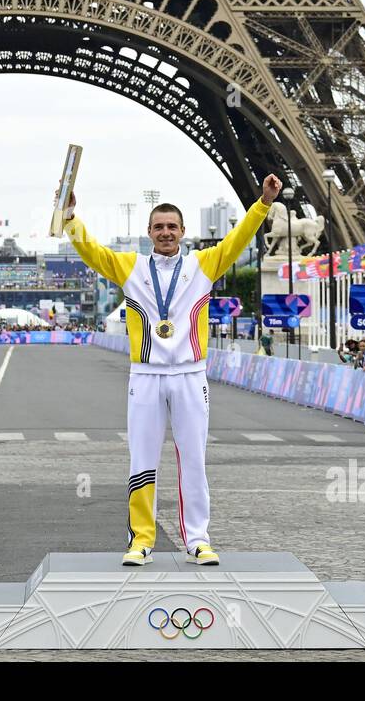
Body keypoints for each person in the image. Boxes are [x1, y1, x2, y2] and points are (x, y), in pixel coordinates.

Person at [64, 174, 282, 567]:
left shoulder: (204, 263)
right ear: (149, 232)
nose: (166, 232)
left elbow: (238, 240)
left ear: (183, 231)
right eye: (159, 227)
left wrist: (263, 204)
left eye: (172, 227)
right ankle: (141, 540)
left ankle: (197, 539)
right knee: (142, 459)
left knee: (193, 458)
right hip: (145, 376)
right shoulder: (129, 266)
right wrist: (70, 217)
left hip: (189, 374)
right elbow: (91, 251)